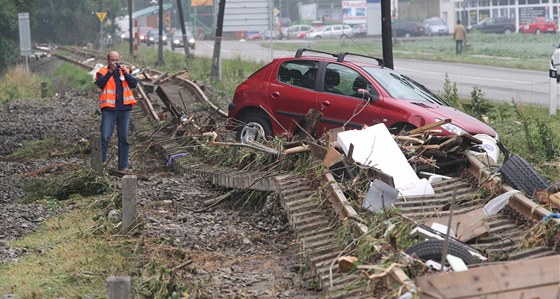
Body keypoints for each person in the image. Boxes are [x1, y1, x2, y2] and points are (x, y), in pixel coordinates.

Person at [95, 51, 138, 171]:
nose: (115, 62)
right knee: (105, 137)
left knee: (124, 137)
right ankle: (100, 166)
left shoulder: (125, 71)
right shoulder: (102, 72)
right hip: (109, 108)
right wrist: (110, 72)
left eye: (116, 60)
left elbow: (133, 84)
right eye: (112, 60)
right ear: (108, 60)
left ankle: (123, 166)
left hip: (124, 108)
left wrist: (124, 72)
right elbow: (100, 84)